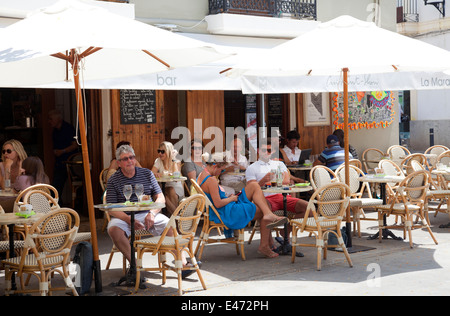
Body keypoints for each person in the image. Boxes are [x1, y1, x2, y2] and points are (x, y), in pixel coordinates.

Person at [106, 145, 195, 278]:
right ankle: (136, 265)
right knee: (113, 229)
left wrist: (152, 213)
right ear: (118, 163)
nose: (130, 161)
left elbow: (160, 198)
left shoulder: (146, 174)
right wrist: (127, 219)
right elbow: (111, 208)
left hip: (147, 213)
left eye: (132, 157)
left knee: (169, 224)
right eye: (125, 159)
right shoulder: (114, 179)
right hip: (124, 215)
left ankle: (182, 264)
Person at [197, 152, 288, 258]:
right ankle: (265, 245)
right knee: (262, 209)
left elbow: (215, 200)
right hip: (225, 212)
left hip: (224, 208)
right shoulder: (211, 180)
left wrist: (229, 198)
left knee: (254, 185)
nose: (220, 173)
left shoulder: (202, 175)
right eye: (221, 170)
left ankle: (268, 216)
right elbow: (218, 204)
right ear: (214, 165)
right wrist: (231, 198)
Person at [245, 139, 309, 239]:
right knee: (265, 211)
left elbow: (286, 180)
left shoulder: (279, 164)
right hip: (265, 199)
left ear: (273, 151)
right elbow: (250, 189)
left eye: (269, 150)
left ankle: (286, 231)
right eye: (263, 150)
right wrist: (262, 181)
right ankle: (267, 244)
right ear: (258, 150)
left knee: (310, 208)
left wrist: (268, 181)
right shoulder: (252, 168)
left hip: (282, 197)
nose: (266, 153)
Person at [48, 109, 79, 197]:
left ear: (58, 119)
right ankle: (57, 205)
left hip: (69, 162)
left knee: (57, 185)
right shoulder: (54, 131)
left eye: (51, 119)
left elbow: (75, 145)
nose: (49, 121)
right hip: (59, 162)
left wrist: (62, 151)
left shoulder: (68, 128)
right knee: (56, 186)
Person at [151, 141, 185, 215]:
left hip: (175, 186)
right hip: (162, 186)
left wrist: (173, 159)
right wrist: (156, 174)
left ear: (169, 152)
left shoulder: (176, 162)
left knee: (170, 190)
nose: (160, 153)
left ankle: (174, 217)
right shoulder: (158, 161)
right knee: (163, 194)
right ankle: (177, 217)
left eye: (163, 151)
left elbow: (176, 177)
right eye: (159, 151)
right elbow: (151, 173)